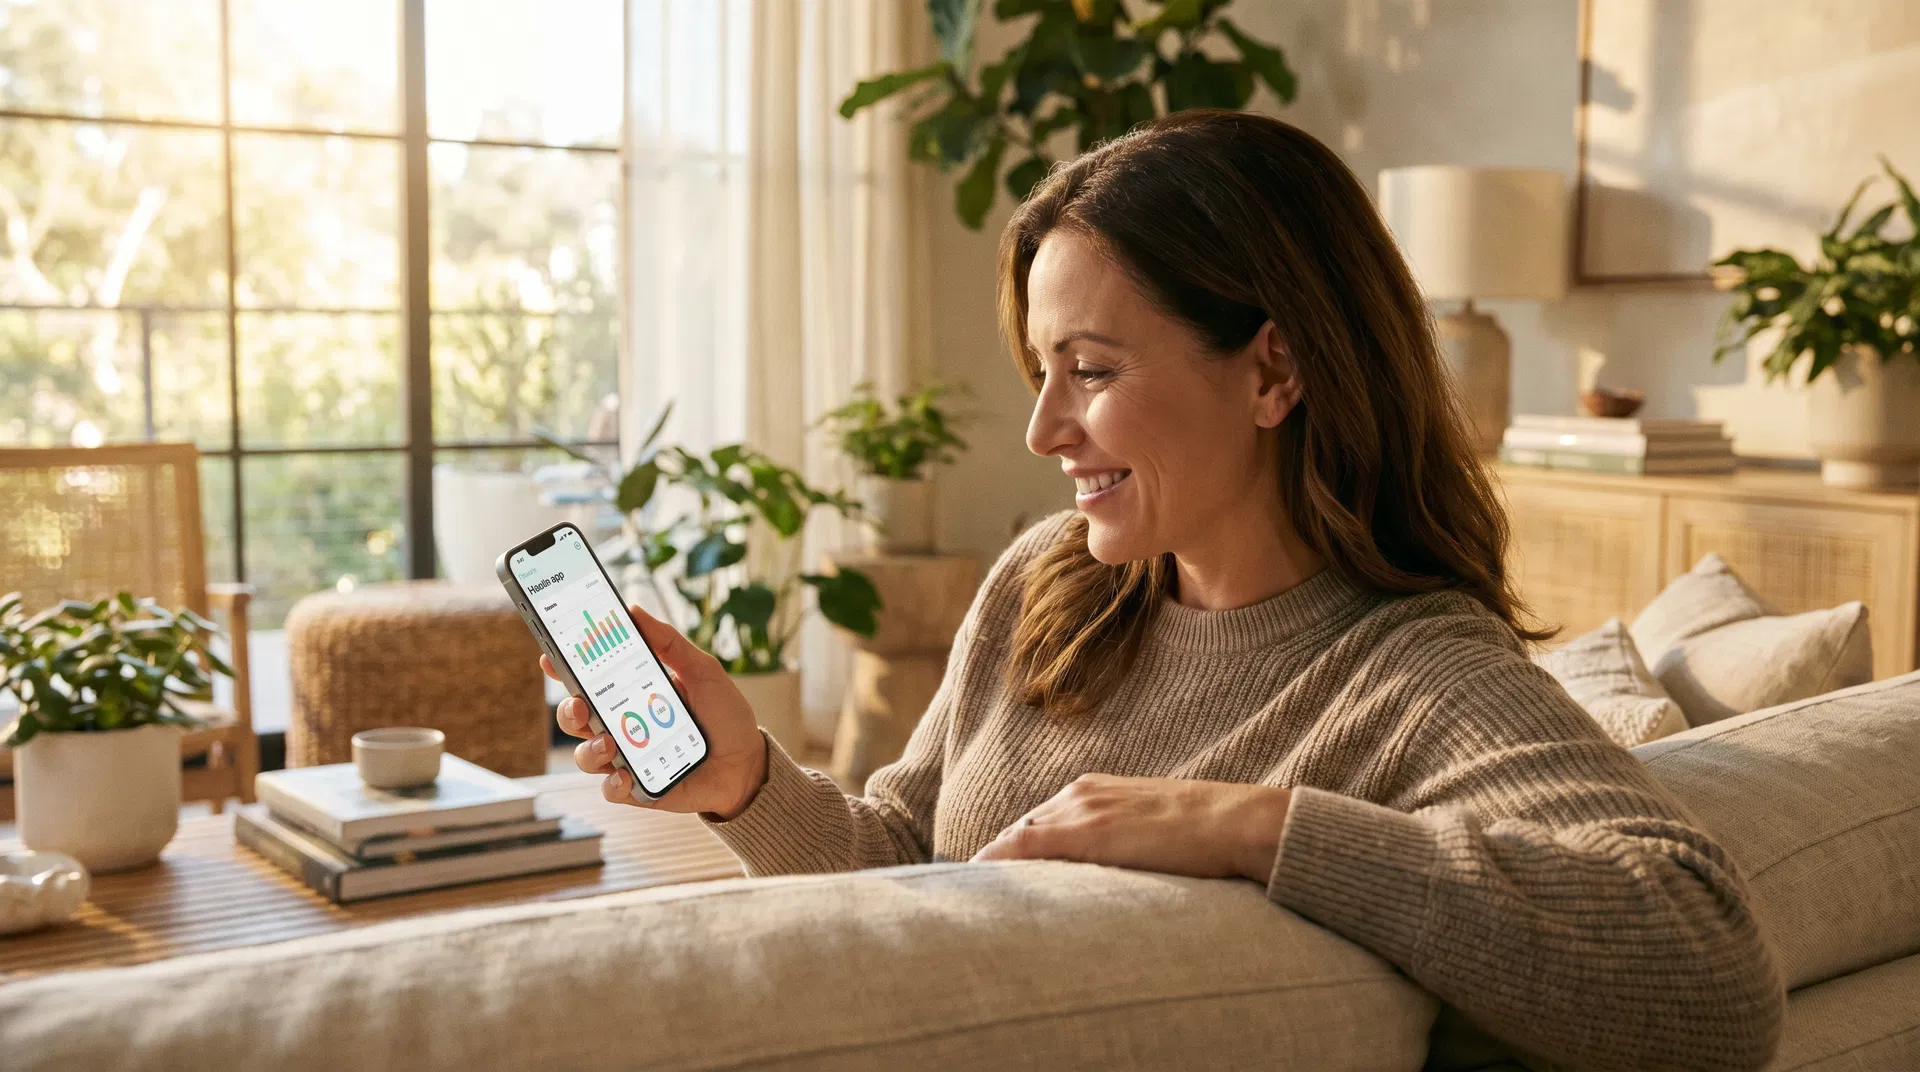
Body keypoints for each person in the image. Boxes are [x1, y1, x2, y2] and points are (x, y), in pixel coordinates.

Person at [549, 111, 1783, 1070]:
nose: (1043, 429)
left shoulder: (1416, 674)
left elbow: (1711, 975)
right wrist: (746, 781)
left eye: (1090, 370)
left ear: (1274, 371)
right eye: (1042, 369)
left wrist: (1247, 825)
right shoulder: (1046, 582)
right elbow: (905, 871)